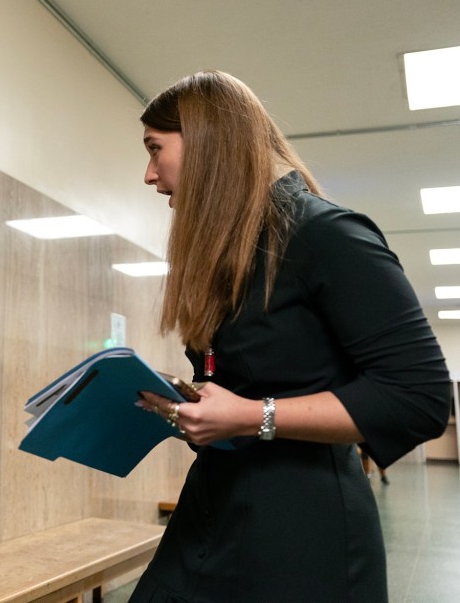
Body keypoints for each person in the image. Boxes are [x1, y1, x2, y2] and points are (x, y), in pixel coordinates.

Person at [131, 71, 450, 602]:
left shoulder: (325, 233)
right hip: (212, 510)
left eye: (154, 149)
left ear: (208, 145)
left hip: (303, 534)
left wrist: (252, 416)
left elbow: (419, 397)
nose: (148, 174)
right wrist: (191, 405)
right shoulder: (231, 255)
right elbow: (235, 379)